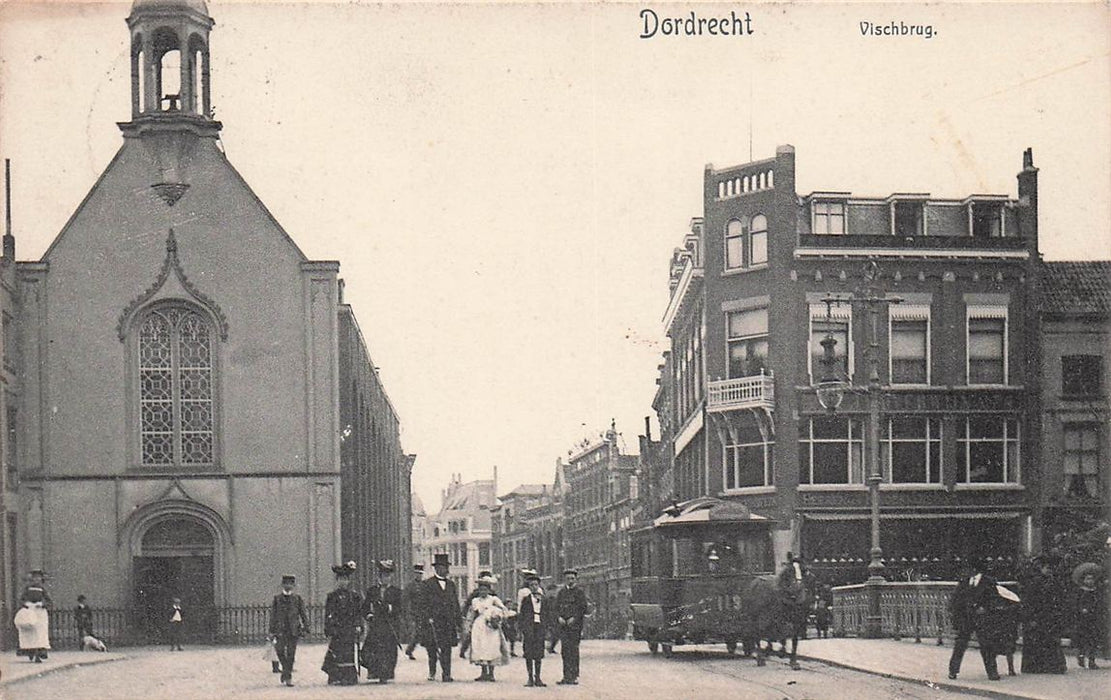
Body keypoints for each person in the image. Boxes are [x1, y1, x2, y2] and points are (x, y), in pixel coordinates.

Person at [947, 562, 1002, 680]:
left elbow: (995, 599)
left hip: (982, 618)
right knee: (960, 644)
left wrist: (985, 608)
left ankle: (992, 672)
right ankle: (953, 670)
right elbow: (956, 598)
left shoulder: (989, 582)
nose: (964, 571)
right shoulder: (964, 581)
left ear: (973, 569)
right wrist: (956, 612)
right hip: (966, 618)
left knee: (986, 645)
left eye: (966, 568)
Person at [1019, 554, 1067, 674]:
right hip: (1037, 616)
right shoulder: (1035, 582)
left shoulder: (1055, 582)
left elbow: (1060, 599)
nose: (1049, 570)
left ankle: (1052, 666)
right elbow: (1029, 601)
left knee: (1050, 641)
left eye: (1051, 568)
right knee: (1037, 641)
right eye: (1047, 568)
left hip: (1050, 616)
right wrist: (1030, 617)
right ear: (1041, 568)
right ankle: (1035, 666)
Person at [418, 552, 462, 682]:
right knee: (432, 648)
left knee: (446, 648)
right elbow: (423, 604)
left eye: (447, 567)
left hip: (447, 622)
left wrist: (458, 621)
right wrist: (427, 618)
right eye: (443, 567)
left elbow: (455, 603)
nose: (446, 569)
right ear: (437, 568)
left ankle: (446, 674)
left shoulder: (451, 584)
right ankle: (432, 671)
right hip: (433, 622)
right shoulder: (427, 584)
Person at [360, 560, 403, 684]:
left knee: (388, 651)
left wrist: (389, 608)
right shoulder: (372, 591)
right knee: (372, 650)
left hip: (390, 626)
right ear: (379, 577)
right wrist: (369, 615)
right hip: (376, 626)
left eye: (388, 576)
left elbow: (400, 608)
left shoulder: (396, 592)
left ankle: (385, 674)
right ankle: (374, 671)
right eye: (384, 576)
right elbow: (365, 607)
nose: (386, 578)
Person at [322, 561, 363, 685]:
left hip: (349, 628)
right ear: (337, 581)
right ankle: (336, 676)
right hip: (337, 628)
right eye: (340, 579)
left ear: (348, 581)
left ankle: (349, 677)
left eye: (345, 579)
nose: (343, 582)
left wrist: (358, 625)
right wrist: (329, 627)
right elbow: (328, 613)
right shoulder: (332, 596)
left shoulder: (354, 596)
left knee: (348, 652)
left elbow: (358, 613)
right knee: (336, 651)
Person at [465, 574, 509, 681]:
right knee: (481, 647)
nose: (483, 592)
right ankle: (483, 672)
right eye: (481, 590)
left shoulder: (493, 599)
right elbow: (471, 613)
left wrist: (497, 617)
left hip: (491, 627)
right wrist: (469, 625)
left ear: (489, 590)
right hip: (479, 625)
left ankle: (492, 673)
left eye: (485, 589)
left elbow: (503, 609)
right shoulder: (475, 601)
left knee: (492, 647)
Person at [269, 574, 309, 687]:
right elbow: (273, 616)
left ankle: (287, 676)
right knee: (280, 651)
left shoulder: (297, 598)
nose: (288, 586)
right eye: (286, 583)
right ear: (282, 585)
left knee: (291, 654)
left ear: (293, 585)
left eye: (290, 584)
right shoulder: (277, 599)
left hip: (293, 630)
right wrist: (271, 631)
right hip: (280, 630)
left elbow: (303, 614)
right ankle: (286, 671)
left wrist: (306, 627)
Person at [554, 568, 588, 685]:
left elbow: (582, 608)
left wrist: (574, 618)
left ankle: (573, 676)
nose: (570, 581)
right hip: (564, 626)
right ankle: (565, 676)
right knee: (565, 651)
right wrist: (559, 617)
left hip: (575, 626)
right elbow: (556, 607)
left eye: (572, 578)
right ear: (565, 580)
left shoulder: (579, 593)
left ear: (576, 579)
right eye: (568, 578)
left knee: (573, 650)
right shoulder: (561, 593)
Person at [519, 572, 550, 686]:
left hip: (539, 627)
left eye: (536, 585)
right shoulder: (526, 600)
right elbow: (522, 615)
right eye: (531, 585)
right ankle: (530, 677)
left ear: (539, 586)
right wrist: (523, 628)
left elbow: (547, 613)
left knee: (538, 653)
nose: (534, 587)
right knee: (528, 653)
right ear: (529, 587)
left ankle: (538, 677)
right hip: (529, 627)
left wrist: (546, 626)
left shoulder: (544, 599)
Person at [14, 569, 52, 662]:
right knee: (30, 632)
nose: (36, 580)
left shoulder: (42, 589)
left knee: (40, 632)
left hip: (39, 611)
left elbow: (49, 601)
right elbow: (21, 599)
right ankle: (30, 650)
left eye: (38, 578)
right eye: (35, 578)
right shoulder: (27, 588)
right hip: (30, 610)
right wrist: (25, 604)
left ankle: (40, 650)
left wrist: (43, 605)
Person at [1071, 562, 1102, 670]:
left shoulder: (1096, 591)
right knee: (1083, 638)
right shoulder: (1080, 591)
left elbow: (1099, 603)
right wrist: (1081, 609)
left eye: (1092, 579)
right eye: (1088, 579)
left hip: (1094, 618)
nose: (1090, 581)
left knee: (1093, 639)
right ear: (1083, 580)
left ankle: (1092, 660)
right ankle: (1081, 656)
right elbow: (1075, 603)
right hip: (1083, 619)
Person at [459, 569, 494, 659]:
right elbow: (468, 604)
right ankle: (464, 650)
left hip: (490, 616)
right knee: (472, 634)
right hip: (477, 616)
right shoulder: (475, 593)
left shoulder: (493, 594)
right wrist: (465, 615)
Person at [402, 563, 425, 660]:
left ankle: (410, 650)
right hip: (412, 613)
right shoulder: (410, 586)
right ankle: (409, 650)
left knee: (421, 633)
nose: (418, 576)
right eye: (417, 574)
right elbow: (405, 599)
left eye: (420, 574)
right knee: (415, 632)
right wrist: (407, 612)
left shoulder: (425, 585)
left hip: (423, 613)